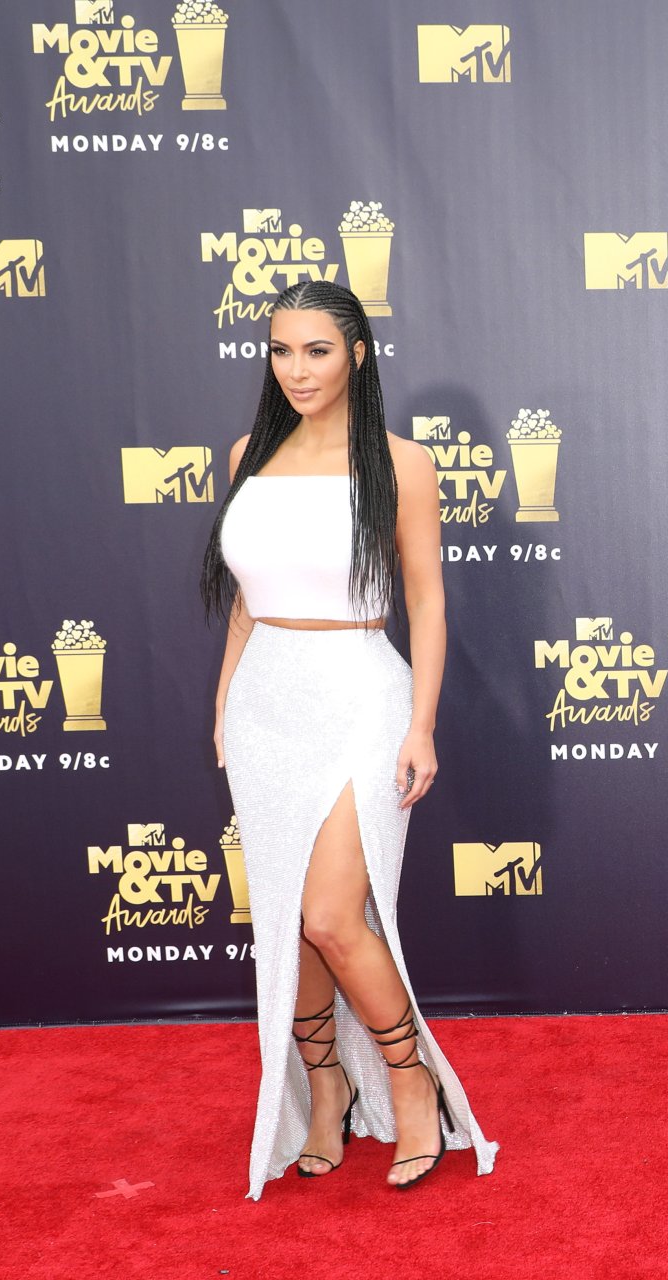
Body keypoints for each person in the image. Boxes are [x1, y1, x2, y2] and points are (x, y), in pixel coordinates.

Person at [201, 280, 496, 1197]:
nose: (296, 369)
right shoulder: (249, 453)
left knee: (331, 915)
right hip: (264, 704)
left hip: (361, 695)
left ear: (357, 355)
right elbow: (247, 599)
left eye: (317, 350)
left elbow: (426, 600)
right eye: (281, 350)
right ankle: (325, 1089)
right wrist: (224, 703)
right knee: (286, 919)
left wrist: (421, 724)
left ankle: (412, 1084)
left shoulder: (402, 464)